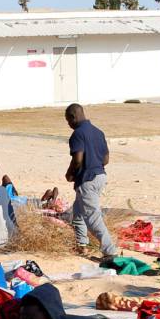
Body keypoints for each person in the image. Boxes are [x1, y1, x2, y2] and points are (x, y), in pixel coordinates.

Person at [64, 103, 117, 258]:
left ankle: (109, 251)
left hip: (87, 179)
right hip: (100, 176)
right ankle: (82, 245)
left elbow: (78, 158)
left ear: (73, 117)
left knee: (93, 217)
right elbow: (106, 159)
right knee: (78, 213)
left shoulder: (78, 134)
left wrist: (70, 173)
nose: (69, 124)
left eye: (68, 121)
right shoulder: (98, 132)